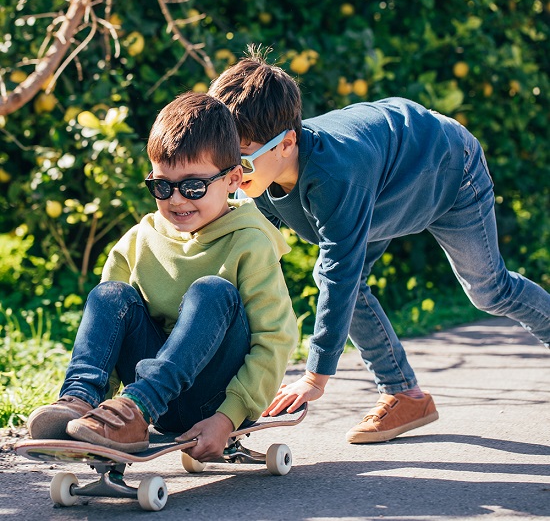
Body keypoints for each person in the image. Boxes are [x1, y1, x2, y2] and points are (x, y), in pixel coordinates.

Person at [208, 50, 550, 444]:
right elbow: (243, 262)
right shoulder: (257, 178)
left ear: (287, 144)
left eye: (243, 161)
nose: (233, 173)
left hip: (448, 170)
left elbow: (341, 275)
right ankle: (406, 396)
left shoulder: (336, 177)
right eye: (226, 159)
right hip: (387, 179)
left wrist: (315, 376)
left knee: (489, 291)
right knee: (337, 278)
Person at [27, 92, 298, 460]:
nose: (176, 200)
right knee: (110, 295)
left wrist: (228, 417)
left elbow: (275, 339)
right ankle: (82, 402)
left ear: (234, 178)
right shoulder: (140, 240)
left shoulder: (250, 243)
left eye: (193, 187)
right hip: (153, 398)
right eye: (162, 186)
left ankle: (135, 408)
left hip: (213, 399)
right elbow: (109, 337)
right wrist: (96, 417)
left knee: (212, 291)